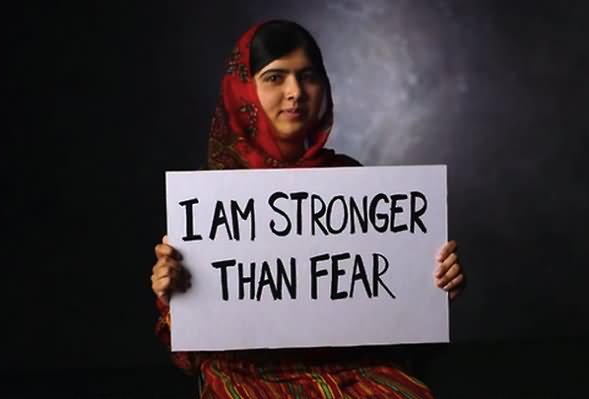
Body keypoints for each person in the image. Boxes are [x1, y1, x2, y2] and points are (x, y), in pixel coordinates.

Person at [151, 20, 464, 399]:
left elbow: (394, 313)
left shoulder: (352, 182)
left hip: (357, 369)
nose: (295, 92)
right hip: (246, 375)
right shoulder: (211, 196)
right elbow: (187, 352)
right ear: (243, 90)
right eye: (274, 77)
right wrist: (172, 296)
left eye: (308, 76)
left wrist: (433, 283)